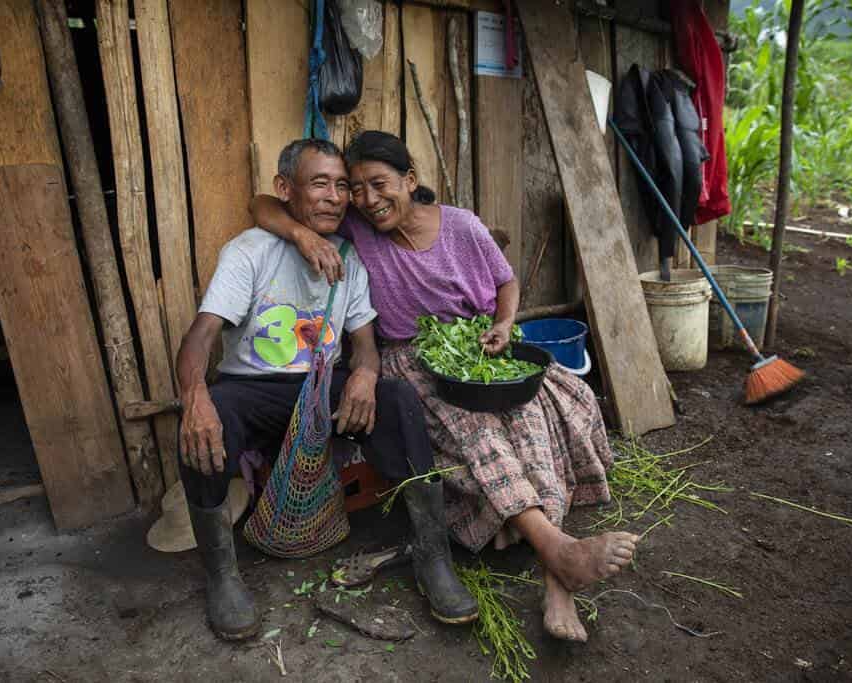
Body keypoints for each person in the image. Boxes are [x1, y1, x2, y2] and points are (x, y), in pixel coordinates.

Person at [250, 131, 638, 643]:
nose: (367, 200)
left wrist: (503, 323)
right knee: (480, 433)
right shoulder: (361, 228)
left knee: (537, 419)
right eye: (357, 189)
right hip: (412, 362)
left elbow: (506, 282)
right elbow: (260, 204)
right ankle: (561, 554)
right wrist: (304, 236)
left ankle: (556, 571)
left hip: (478, 350)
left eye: (379, 184)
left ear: (410, 181)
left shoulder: (460, 226)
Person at [176, 138, 477, 642]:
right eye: (320, 184)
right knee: (207, 422)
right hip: (255, 390)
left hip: (321, 389)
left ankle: (432, 556)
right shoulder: (249, 251)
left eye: (342, 186)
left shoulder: (350, 257)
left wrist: (363, 374)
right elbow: (200, 337)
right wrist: (194, 399)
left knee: (397, 399)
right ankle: (222, 576)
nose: (335, 197)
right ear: (285, 190)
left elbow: (364, 344)